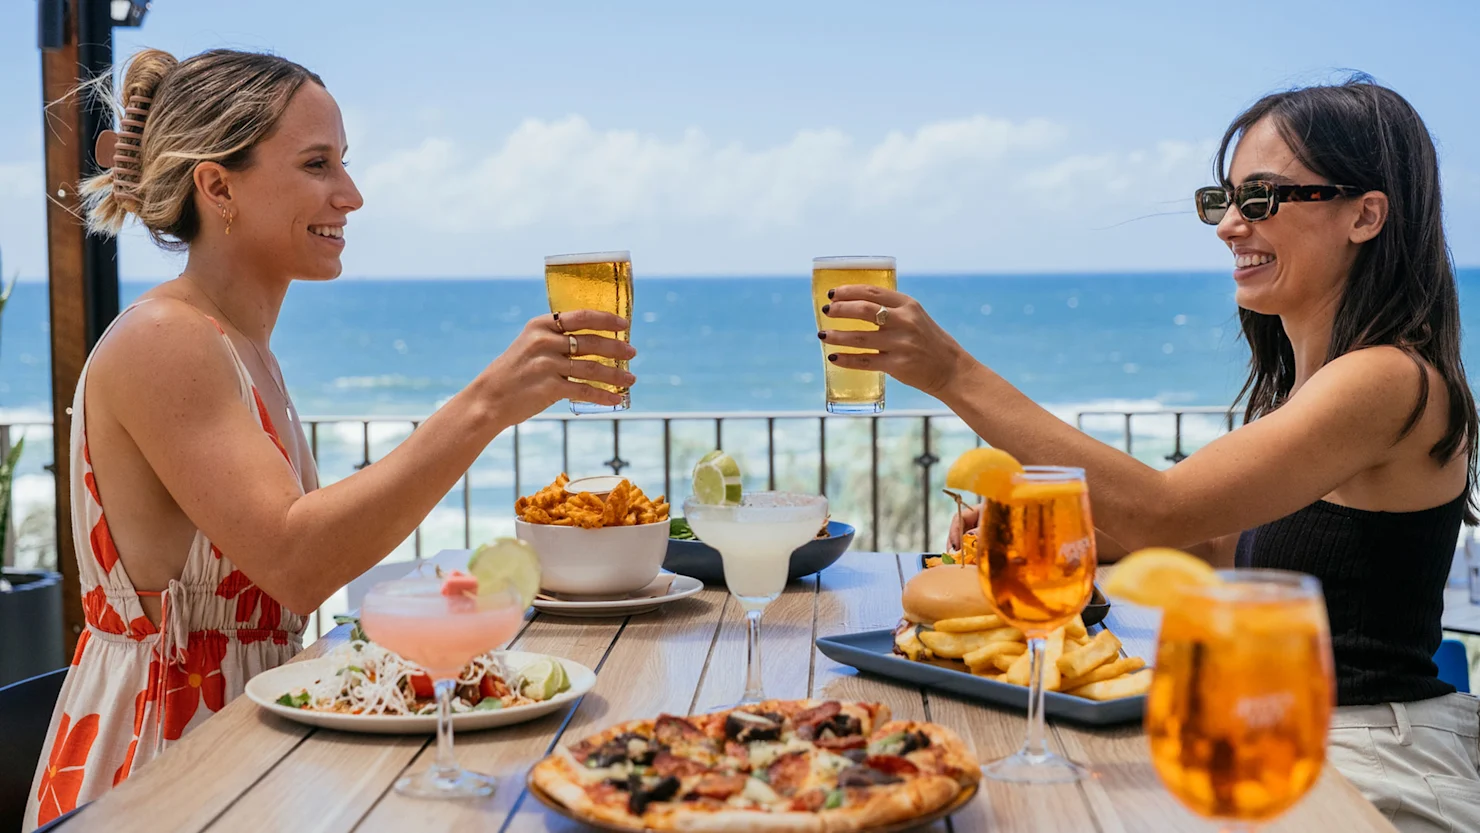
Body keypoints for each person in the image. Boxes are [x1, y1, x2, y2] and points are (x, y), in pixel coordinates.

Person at [818, 77, 1480, 831]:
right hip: (1280, 731)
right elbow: (1216, 546)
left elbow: (1164, 512)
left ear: (1365, 215)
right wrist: (1067, 545)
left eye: (1261, 199)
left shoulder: (1387, 378)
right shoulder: (1316, 385)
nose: (1230, 224)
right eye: (1224, 199)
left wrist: (951, 373)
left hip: (1369, 759)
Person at [24, 48, 634, 831]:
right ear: (218, 187)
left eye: (343, 163)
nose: (350, 194)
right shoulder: (165, 341)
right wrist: (484, 406)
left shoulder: (244, 351)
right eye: (317, 164)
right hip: (160, 772)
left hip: (252, 756)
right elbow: (295, 562)